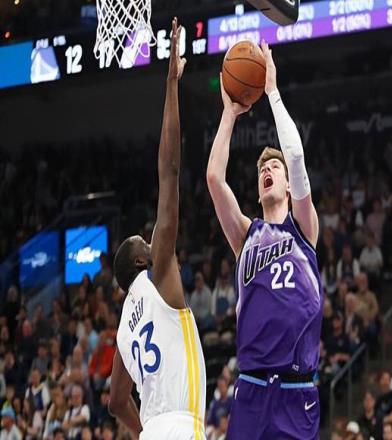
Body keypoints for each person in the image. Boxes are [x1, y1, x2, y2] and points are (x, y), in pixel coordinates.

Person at [207, 41, 322, 439]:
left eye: (274, 167)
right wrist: (229, 114)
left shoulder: (303, 228)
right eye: (262, 170)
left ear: (289, 186)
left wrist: (271, 90)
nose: (267, 170)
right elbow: (214, 179)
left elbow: (296, 157)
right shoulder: (247, 235)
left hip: (297, 391)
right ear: (259, 190)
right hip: (252, 389)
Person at [109, 19, 206, 440]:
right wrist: (171, 84)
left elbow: (115, 401)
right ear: (142, 260)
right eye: (146, 242)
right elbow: (169, 172)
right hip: (181, 428)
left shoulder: (123, 328)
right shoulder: (159, 273)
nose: (154, 241)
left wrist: (147, 428)